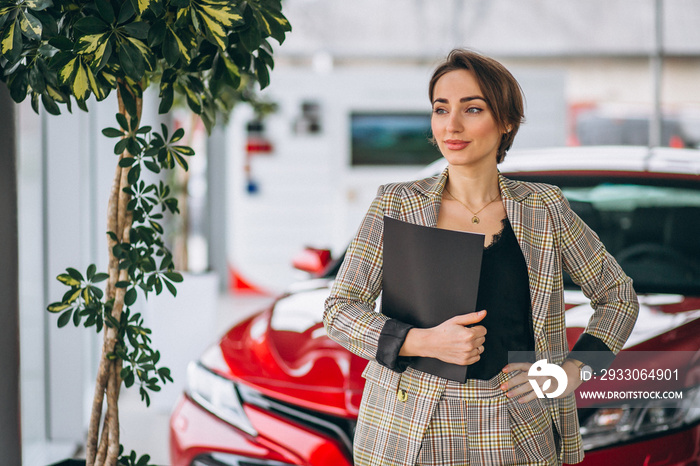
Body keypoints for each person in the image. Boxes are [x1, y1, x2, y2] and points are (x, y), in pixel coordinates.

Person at [323, 49, 639, 466]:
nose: (451, 125)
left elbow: (618, 296)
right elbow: (339, 309)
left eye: (472, 109)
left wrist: (574, 369)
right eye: (441, 109)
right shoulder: (396, 204)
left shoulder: (544, 208)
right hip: (411, 422)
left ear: (506, 121)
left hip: (517, 418)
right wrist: (421, 340)